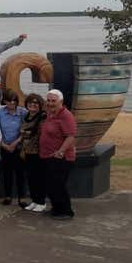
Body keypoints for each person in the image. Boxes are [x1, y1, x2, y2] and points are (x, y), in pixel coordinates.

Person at [40, 89, 77, 220]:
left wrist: (61, 151)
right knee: (51, 185)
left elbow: (71, 136)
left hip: (61, 157)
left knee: (58, 185)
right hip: (48, 156)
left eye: (53, 101)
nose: (50, 103)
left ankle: (66, 212)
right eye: (48, 100)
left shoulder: (66, 115)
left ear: (61, 101)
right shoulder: (50, 114)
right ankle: (56, 209)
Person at [0, 90, 29, 207]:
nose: (12, 103)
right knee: (7, 173)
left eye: (14, 100)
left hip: (19, 147)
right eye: (9, 100)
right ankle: (8, 196)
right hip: (5, 146)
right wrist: (3, 144)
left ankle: (22, 197)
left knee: (20, 173)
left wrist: (16, 142)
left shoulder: (23, 112)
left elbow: (26, 129)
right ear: (5, 101)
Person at [20, 93, 47, 213]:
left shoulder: (42, 117)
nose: (33, 105)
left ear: (40, 105)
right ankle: (35, 200)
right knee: (30, 178)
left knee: (38, 178)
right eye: (30, 102)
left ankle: (41, 202)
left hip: (38, 152)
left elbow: (40, 135)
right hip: (27, 152)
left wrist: (26, 134)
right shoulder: (26, 116)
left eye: (36, 103)